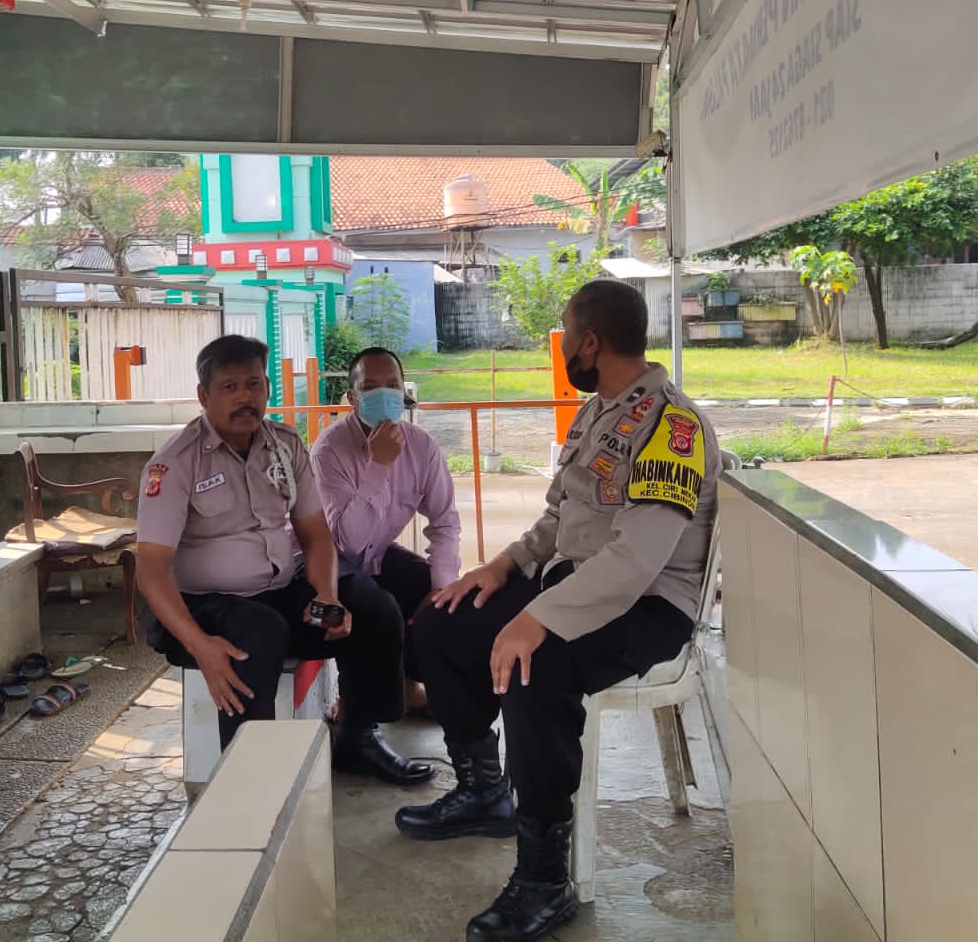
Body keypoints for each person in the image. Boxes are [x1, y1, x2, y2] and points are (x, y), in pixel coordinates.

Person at [395, 280, 720, 942]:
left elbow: (635, 561)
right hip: (573, 581)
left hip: (651, 604)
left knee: (534, 668)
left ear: (590, 342)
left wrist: (536, 619)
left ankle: (544, 879)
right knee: (442, 621)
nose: (564, 342)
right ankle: (483, 790)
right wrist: (501, 567)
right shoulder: (598, 411)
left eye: (567, 331)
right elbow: (559, 518)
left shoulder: (672, 428)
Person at [135, 334, 432, 786]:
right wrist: (200, 645)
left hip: (275, 589)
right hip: (201, 608)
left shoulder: (285, 445)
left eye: (254, 385)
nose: (245, 398)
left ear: (267, 388)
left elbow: (316, 535)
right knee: (261, 633)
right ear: (204, 395)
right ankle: (248, 779)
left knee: (372, 608)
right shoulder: (175, 463)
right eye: (230, 387)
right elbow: (152, 571)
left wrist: (327, 595)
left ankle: (358, 736)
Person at [311, 346, 459, 712]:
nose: (383, 394)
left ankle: (410, 685)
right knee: (374, 606)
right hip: (323, 557)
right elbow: (348, 542)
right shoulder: (330, 449)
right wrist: (379, 465)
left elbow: (444, 520)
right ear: (352, 397)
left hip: (375, 552)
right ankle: (358, 716)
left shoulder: (421, 445)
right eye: (369, 386)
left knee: (448, 599)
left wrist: (440, 586)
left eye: (392, 385)